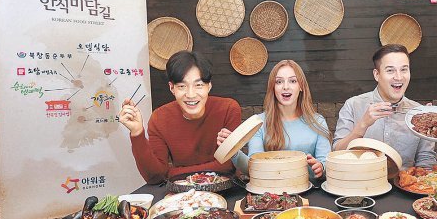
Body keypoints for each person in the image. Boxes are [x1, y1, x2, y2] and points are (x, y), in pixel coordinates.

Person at [119, 51, 241, 184]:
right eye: (182, 86)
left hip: (225, 190)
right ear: (172, 88)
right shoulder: (159, 118)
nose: (190, 94)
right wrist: (137, 134)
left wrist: (172, 173)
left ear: (209, 86)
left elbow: (227, 165)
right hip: (180, 196)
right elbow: (155, 177)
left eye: (198, 85)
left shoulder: (228, 109)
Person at [217, 60, 331, 180]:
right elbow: (253, 169)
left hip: (310, 191)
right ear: (273, 88)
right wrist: (233, 151)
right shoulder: (259, 123)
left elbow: (326, 164)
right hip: (271, 193)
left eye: (292, 81)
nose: (285, 87)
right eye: (279, 82)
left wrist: (321, 168)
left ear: (301, 86)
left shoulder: (318, 121)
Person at [333, 44, 436, 169]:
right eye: (390, 70)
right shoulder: (353, 105)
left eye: (404, 69)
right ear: (377, 75)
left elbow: (426, 161)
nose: (398, 77)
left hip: (404, 184)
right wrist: (362, 125)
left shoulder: (419, 112)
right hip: (362, 183)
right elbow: (337, 153)